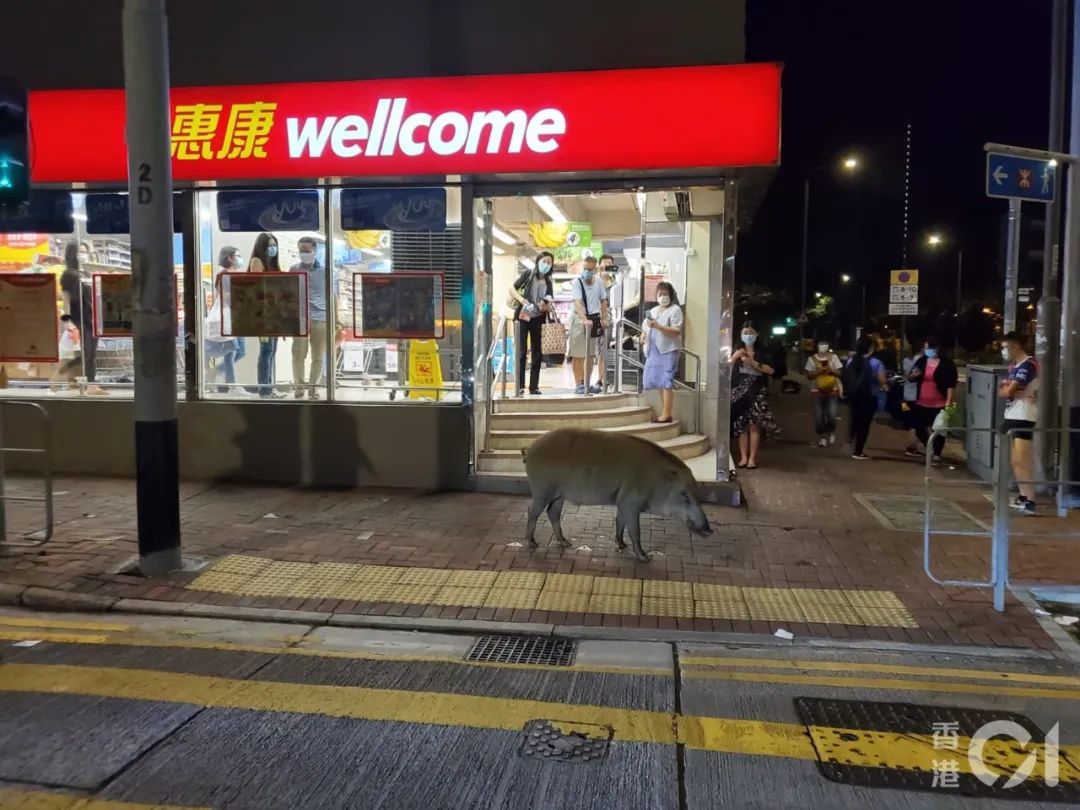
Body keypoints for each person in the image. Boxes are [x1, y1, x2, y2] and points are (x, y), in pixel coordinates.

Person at [999, 331, 1039, 516]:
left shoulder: (1028, 364)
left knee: (1022, 460)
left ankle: (1030, 500)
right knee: (1015, 460)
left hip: (1023, 415)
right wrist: (1010, 389)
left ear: (1015, 345)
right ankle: (1022, 496)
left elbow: (1007, 391)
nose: (1003, 351)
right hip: (1012, 413)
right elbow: (1004, 391)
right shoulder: (1013, 366)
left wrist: (1010, 389)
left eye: (1005, 347)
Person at [59, 241, 107, 395]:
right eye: (80, 252)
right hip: (78, 319)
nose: (84, 255)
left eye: (85, 251)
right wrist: (67, 323)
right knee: (87, 352)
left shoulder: (85, 274)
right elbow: (66, 300)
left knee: (91, 351)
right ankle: (89, 384)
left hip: (91, 318)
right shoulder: (68, 275)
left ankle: (90, 383)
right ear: (73, 253)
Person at [290, 236, 334, 399]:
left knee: (317, 356)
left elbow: (332, 296)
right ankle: (299, 387)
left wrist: (335, 320)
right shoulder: (294, 269)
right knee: (298, 355)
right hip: (300, 318)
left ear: (315, 251)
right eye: (301, 251)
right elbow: (289, 295)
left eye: (307, 251)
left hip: (320, 317)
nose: (304, 254)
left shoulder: (325, 271)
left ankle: (313, 388)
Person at [730, 323, 778, 469]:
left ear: (756, 334)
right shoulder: (737, 351)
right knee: (741, 426)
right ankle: (743, 457)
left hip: (756, 391)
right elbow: (725, 369)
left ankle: (752, 458)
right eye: (745, 333)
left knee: (754, 426)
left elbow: (771, 370)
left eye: (751, 333)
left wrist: (753, 363)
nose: (748, 336)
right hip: (739, 392)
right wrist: (734, 357)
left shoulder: (762, 352)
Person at [508, 251, 554, 396]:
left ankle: (533, 386)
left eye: (549, 263)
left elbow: (550, 301)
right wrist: (522, 300)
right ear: (538, 261)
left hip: (538, 318)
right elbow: (512, 289)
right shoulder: (528, 275)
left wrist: (545, 305)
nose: (546, 265)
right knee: (521, 351)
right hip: (523, 316)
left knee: (537, 353)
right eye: (544, 261)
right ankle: (520, 386)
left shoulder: (549, 282)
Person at [908, 336, 958, 466]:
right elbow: (911, 377)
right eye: (925, 348)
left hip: (939, 402)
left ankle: (937, 454)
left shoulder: (947, 364)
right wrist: (913, 376)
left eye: (928, 347)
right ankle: (928, 446)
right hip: (922, 401)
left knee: (939, 430)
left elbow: (950, 384)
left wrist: (949, 400)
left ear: (936, 348)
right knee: (919, 427)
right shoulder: (922, 361)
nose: (926, 350)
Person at [642, 281, 683, 423]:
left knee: (666, 381)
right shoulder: (653, 311)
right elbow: (645, 327)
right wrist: (643, 334)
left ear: (671, 295)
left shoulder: (675, 309)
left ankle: (667, 414)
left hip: (668, 349)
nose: (663, 296)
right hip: (653, 350)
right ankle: (664, 412)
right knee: (659, 381)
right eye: (660, 294)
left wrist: (659, 327)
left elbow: (676, 330)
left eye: (666, 294)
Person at [568, 255, 609, 395]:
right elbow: (577, 302)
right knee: (578, 354)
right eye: (585, 269)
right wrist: (584, 319)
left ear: (596, 269)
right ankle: (578, 384)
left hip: (594, 319)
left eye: (590, 269)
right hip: (580, 320)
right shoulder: (576, 283)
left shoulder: (598, 282)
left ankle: (586, 383)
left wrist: (605, 318)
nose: (587, 272)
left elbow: (603, 301)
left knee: (591, 355)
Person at [205, 245, 243, 395]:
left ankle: (216, 373)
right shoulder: (224, 275)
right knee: (232, 353)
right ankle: (232, 386)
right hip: (228, 318)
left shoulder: (233, 274)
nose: (240, 258)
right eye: (237, 255)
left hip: (236, 317)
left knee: (238, 351)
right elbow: (225, 296)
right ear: (230, 258)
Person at [249, 233, 283, 398]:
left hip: (274, 312)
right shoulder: (257, 261)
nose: (273, 248)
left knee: (271, 350)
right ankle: (264, 389)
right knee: (266, 350)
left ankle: (269, 386)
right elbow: (257, 288)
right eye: (270, 245)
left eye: (274, 245)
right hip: (263, 314)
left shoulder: (273, 264)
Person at [842, 336, 887, 460]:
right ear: (871, 348)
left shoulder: (851, 360)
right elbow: (882, 380)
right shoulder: (876, 363)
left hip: (854, 396)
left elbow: (846, 377)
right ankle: (858, 451)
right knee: (864, 424)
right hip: (869, 396)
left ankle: (850, 441)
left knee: (855, 419)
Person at [804, 339, 843, 447]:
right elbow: (808, 375)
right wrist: (818, 371)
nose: (823, 347)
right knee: (818, 417)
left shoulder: (833, 357)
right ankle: (823, 436)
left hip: (832, 390)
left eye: (824, 345)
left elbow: (840, 372)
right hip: (817, 391)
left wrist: (831, 370)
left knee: (832, 415)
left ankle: (830, 431)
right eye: (820, 345)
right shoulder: (811, 359)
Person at [592, 254, 619, 393]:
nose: (607, 266)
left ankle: (604, 378)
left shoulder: (615, 282)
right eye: (604, 264)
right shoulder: (595, 281)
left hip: (610, 320)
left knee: (605, 350)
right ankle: (599, 379)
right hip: (596, 319)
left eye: (609, 264)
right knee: (598, 350)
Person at [901, 336, 926, 456]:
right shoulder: (922, 361)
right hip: (917, 395)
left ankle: (913, 446)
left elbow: (906, 376)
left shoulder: (906, 360)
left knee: (911, 422)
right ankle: (913, 446)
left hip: (906, 395)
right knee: (917, 423)